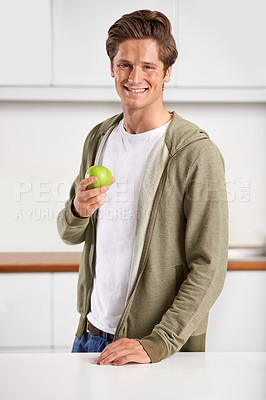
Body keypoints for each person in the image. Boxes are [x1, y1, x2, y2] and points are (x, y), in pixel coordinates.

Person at [57, 9, 228, 366]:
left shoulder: (195, 153)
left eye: (148, 66)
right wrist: (78, 210)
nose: (135, 77)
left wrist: (158, 343)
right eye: (125, 65)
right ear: (112, 68)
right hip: (89, 337)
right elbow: (69, 232)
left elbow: (209, 267)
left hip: (152, 351)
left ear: (167, 73)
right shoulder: (99, 138)